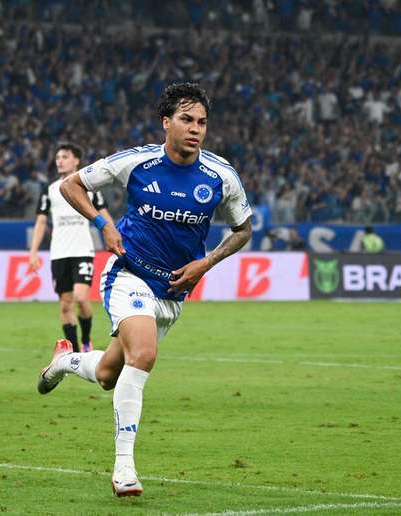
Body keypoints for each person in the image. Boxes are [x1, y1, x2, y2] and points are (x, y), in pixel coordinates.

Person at [36, 83, 252, 496]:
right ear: (166, 123)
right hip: (128, 274)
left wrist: (206, 264)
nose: (196, 129)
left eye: (202, 122)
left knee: (106, 375)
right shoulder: (137, 162)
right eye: (186, 120)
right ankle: (124, 468)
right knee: (145, 355)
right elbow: (71, 186)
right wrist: (105, 225)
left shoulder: (220, 176)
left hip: (173, 291)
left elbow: (243, 229)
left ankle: (65, 362)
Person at [28, 143, 114, 352]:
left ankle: (85, 339)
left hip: (83, 251)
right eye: (58, 157)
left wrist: (115, 236)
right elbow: (40, 222)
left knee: (81, 298)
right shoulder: (49, 191)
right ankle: (74, 351)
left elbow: (103, 216)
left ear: (76, 161)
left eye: (65, 156)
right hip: (59, 253)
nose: (59, 160)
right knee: (65, 304)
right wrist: (33, 252)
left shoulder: (88, 189)